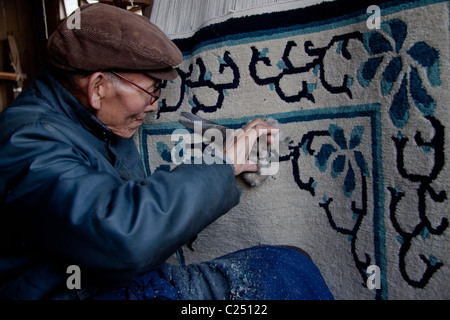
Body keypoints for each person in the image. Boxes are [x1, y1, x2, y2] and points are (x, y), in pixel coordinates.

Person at [0, 3, 333, 300]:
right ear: (98, 87)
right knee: (282, 276)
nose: (155, 105)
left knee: (286, 264)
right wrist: (221, 164)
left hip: (101, 281)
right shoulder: (25, 142)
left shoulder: (93, 123)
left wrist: (216, 166)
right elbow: (125, 236)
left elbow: (125, 201)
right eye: (151, 90)